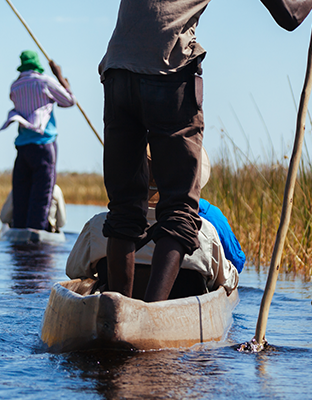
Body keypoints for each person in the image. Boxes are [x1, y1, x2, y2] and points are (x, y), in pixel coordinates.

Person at [99, 0, 312, 302]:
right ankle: (151, 316)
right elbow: (291, 14)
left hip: (117, 71)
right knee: (178, 211)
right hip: (168, 72)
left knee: (123, 209)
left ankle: (116, 311)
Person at [66, 153, 244, 296]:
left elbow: (74, 272)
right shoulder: (203, 231)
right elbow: (226, 282)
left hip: (113, 311)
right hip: (179, 318)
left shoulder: (99, 224)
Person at [0, 50, 75, 232]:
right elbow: (69, 101)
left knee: (21, 195)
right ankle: (36, 238)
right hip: (44, 144)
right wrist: (60, 76)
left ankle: (19, 236)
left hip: (22, 147)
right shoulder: (45, 81)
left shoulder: (15, 86)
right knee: (42, 195)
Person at [0, 184, 67, 233]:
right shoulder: (55, 190)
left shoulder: (17, 188)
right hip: (48, 234)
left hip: (20, 233)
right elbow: (61, 223)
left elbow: (4, 218)